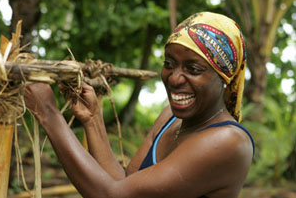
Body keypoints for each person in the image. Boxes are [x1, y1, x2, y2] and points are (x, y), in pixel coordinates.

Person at [25, 12, 254, 198]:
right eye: (169, 63)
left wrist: (49, 114)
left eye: (193, 69)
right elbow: (124, 183)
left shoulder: (227, 142)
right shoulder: (171, 118)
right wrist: (92, 119)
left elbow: (112, 195)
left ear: (225, 78)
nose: (174, 78)